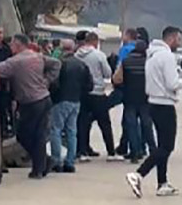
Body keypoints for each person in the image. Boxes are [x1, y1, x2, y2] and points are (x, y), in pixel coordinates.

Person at [125, 26, 182, 198]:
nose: (179, 43)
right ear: (171, 38)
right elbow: (172, 84)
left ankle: (162, 183)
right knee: (167, 146)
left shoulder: (152, 55)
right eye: (178, 40)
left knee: (162, 145)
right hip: (165, 104)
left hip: (153, 103)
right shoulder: (167, 56)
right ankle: (139, 174)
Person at [0, 34, 52, 179]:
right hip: (44, 99)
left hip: (30, 102)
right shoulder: (38, 57)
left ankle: (40, 166)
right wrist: (47, 81)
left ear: (18, 45)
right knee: (39, 134)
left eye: (12, 45)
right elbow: (56, 64)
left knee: (24, 135)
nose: (10, 47)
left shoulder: (15, 62)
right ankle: (42, 165)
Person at [75, 32, 120, 161]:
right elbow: (107, 73)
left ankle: (82, 152)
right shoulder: (99, 55)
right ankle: (111, 152)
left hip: (83, 93)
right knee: (104, 123)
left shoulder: (77, 55)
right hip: (98, 92)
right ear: (95, 41)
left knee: (83, 123)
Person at [48, 38, 90, 174]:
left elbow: (54, 83)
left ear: (61, 48)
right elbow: (89, 85)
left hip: (60, 99)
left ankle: (56, 161)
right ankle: (70, 162)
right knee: (72, 131)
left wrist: (52, 95)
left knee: (56, 130)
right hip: (76, 100)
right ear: (73, 48)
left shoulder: (59, 63)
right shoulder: (82, 64)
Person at [116, 25, 154, 162]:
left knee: (131, 125)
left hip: (129, 97)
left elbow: (117, 78)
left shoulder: (126, 62)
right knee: (147, 124)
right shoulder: (149, 63)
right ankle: (152, 149)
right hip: (145, 97)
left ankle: (134, 152)